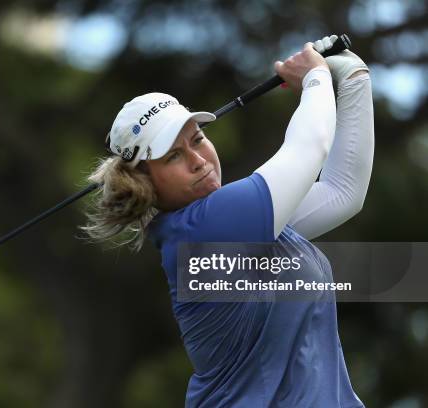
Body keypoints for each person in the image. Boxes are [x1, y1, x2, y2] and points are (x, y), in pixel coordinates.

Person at [82, 35, 373, 407]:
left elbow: (342, 191)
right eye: (173, 156)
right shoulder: (203, 230)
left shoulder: (237, 226)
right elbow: (309, 148)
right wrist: (315, 76)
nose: (198, 160)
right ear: (146, 181)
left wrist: (350, 77)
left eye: (198, 138)